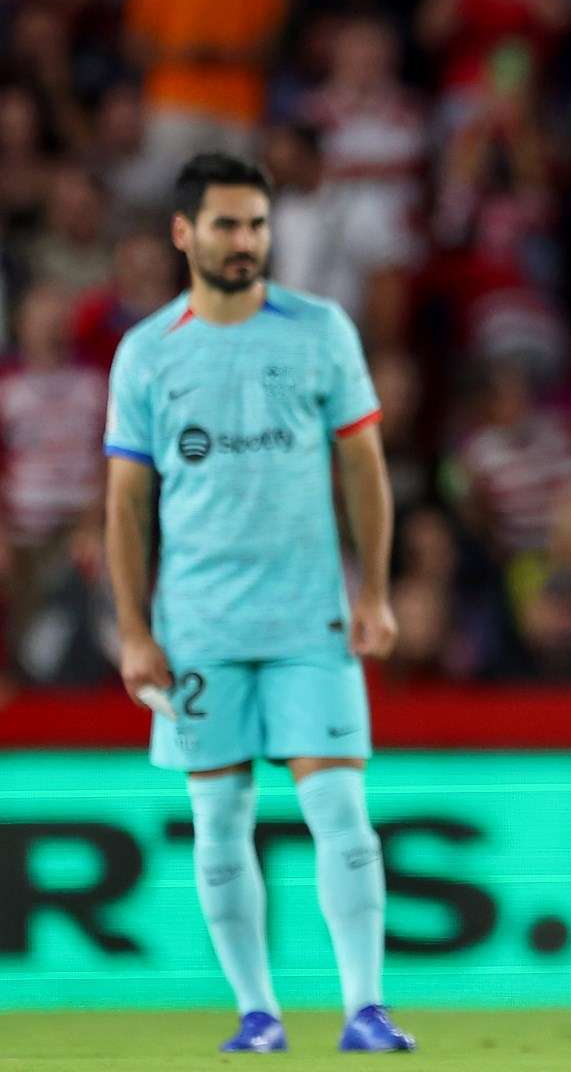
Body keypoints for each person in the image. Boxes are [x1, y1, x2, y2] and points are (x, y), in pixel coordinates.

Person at [101, 153, 416, 1054]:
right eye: (228, 225)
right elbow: (126, 501)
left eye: (258, 225)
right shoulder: (147, 353)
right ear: (184, 232)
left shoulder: (320, 332)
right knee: (219, 822)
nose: (246, 243)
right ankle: (259, 1013)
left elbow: (365, 465)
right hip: (197, 630)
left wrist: (378, 591)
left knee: (341, 813)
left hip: (310, 622)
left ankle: (365, 1008)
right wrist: (133, 631)